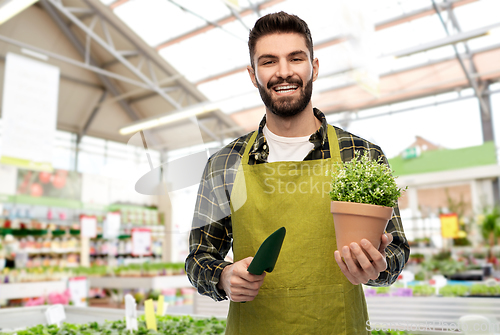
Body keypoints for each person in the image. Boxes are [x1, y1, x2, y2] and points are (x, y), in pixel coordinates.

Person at [185, 11, 409, 334]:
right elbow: (198, 256)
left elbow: (397, 247)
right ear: (253, 75)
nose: (284, 72)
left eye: (296, 58)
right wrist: (222, 276)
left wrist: (377, 267)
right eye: (269, 62)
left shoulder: (361, 155)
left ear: (313, 67)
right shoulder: (224, 164)